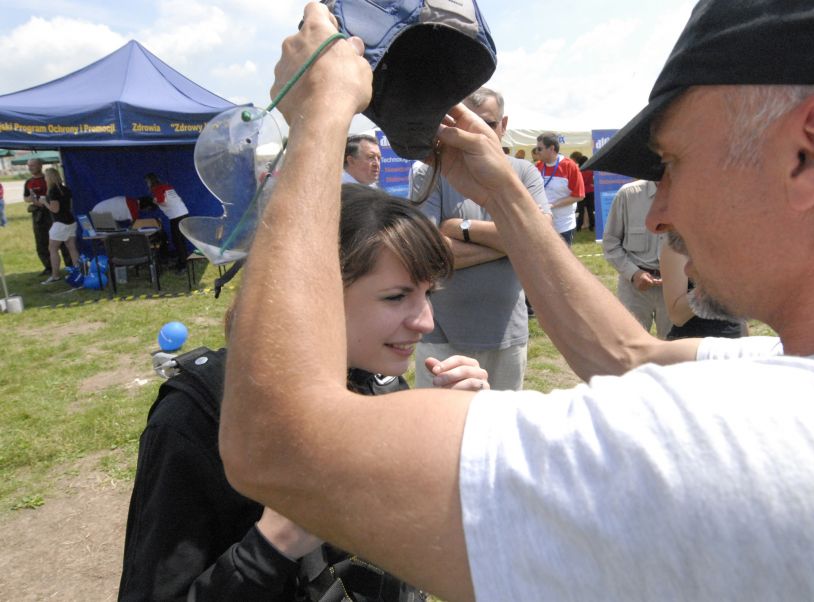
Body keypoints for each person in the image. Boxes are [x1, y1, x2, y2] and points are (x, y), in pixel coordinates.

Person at [219, 2, 814, 600]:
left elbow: (281, 444)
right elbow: (631, 355)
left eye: (673, 164)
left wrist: (315, 121)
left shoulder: (775, 452)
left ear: (813, 149)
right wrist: (507, 194)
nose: (658, 212)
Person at [119, 184, 490, 601]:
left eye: (428, 294)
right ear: (311, 295)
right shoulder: (199, 418)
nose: (425, 321)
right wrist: (274, 543)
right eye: (397, 296)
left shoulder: (375, 382)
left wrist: (447, 444)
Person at [409, 86, 550, 390]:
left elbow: (542, 239)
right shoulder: (431, 172)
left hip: (506, 335)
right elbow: (428, 255)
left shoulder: (524, 173)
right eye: (469, 123)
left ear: (504, 125)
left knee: (501, 430)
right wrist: (513, 244)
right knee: (441, 431)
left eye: (488, 123)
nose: (479, 132)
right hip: (443, 337)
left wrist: (462, 228)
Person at [602, 179, 671, 338]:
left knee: (674, 347)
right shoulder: (628, 194)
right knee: (630, 345)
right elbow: (611, 242)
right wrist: (633, 273)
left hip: (675, 288)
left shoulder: (688, 194)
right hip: (633, 288)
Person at [659, 231, 744, 340]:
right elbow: (677, 315)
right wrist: (713, 285)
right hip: (694, 346)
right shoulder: (677, 246)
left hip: (733, 342)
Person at [23, 158, 71, 274]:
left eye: (33, 165)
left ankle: (70, 265)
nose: (30, 168)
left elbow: (56, 194)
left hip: (52, 213)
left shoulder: (48, 179)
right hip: (38, 214)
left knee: (61, 240)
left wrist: (44, 200)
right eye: (29, 166)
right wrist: (33, 199)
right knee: (41, 241)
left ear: (40, 165)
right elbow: (26, 198)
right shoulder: (29, 182)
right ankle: (49, 267)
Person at [535, 132, 584, 245]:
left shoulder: (569, 166)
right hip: (542, 222)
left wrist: (552, 205)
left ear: (552, 148)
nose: (537, 152)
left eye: (539, 148)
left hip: (563, 224)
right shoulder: (538, 166)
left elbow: (579, 195)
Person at [35, 168, 80, 285]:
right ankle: (79, 272)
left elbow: (55, 209)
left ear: (49, 177)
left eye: (46, 177)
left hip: (60, 223)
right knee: (72, 248)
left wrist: (44, 202)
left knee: (53, 249)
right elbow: (69, 206)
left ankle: (55, 275)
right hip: (71, 221)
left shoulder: (53, 191)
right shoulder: (66, 189)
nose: (45, 179)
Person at [145, 173, 190, 271]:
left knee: (177, 241)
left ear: (149, 182)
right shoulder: (167, 186)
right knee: (181, 240)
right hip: (184, 212)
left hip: (176, 216)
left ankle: (183, 265)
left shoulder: (156, 189)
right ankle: (183, 260)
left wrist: (154, 201)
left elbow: (161, 200)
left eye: (147, 182)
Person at [571, 152, 595, 232]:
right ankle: (592, 226)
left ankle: (579, 227)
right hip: (590, 192)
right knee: (590, 210)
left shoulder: (580, 171)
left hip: (582, 192)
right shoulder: (591, 170)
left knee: (581, 211)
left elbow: (580, 182)